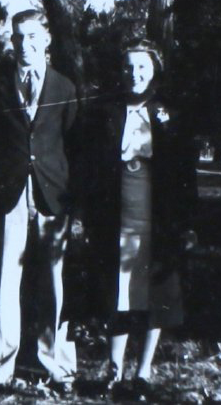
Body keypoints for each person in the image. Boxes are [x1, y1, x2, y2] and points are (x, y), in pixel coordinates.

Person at [81, 39, 197, 398]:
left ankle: (143, 373)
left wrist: (187, 222)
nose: (135, 74)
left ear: (154, 71)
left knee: (154, 295)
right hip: (115, 214)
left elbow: (183, 174)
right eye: (129, 67)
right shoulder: (105, 112)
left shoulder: (170, 114)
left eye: (142, 67)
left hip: (158, 216)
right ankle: (114, 371)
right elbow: (91, 167)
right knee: (116, 292)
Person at [0, 9, 78, 394]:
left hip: (53, 194)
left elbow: (74, 145)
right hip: (9, 195)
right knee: (6, 282)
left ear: (46, 39)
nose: (25, 45)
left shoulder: (64, 87)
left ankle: (59, 367)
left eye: (33, 37)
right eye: (18, 37)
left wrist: (74, 199)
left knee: (55, 284)